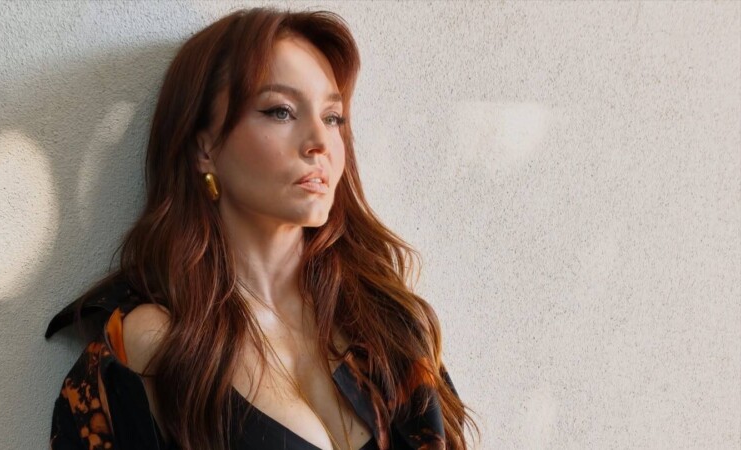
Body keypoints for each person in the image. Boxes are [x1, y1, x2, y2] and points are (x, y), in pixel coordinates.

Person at [46, 6, 481, 450]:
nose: (319, 142)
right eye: (281, 111)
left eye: (333, 117)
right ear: (204, 149)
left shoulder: (387, 323)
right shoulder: (152, 347)